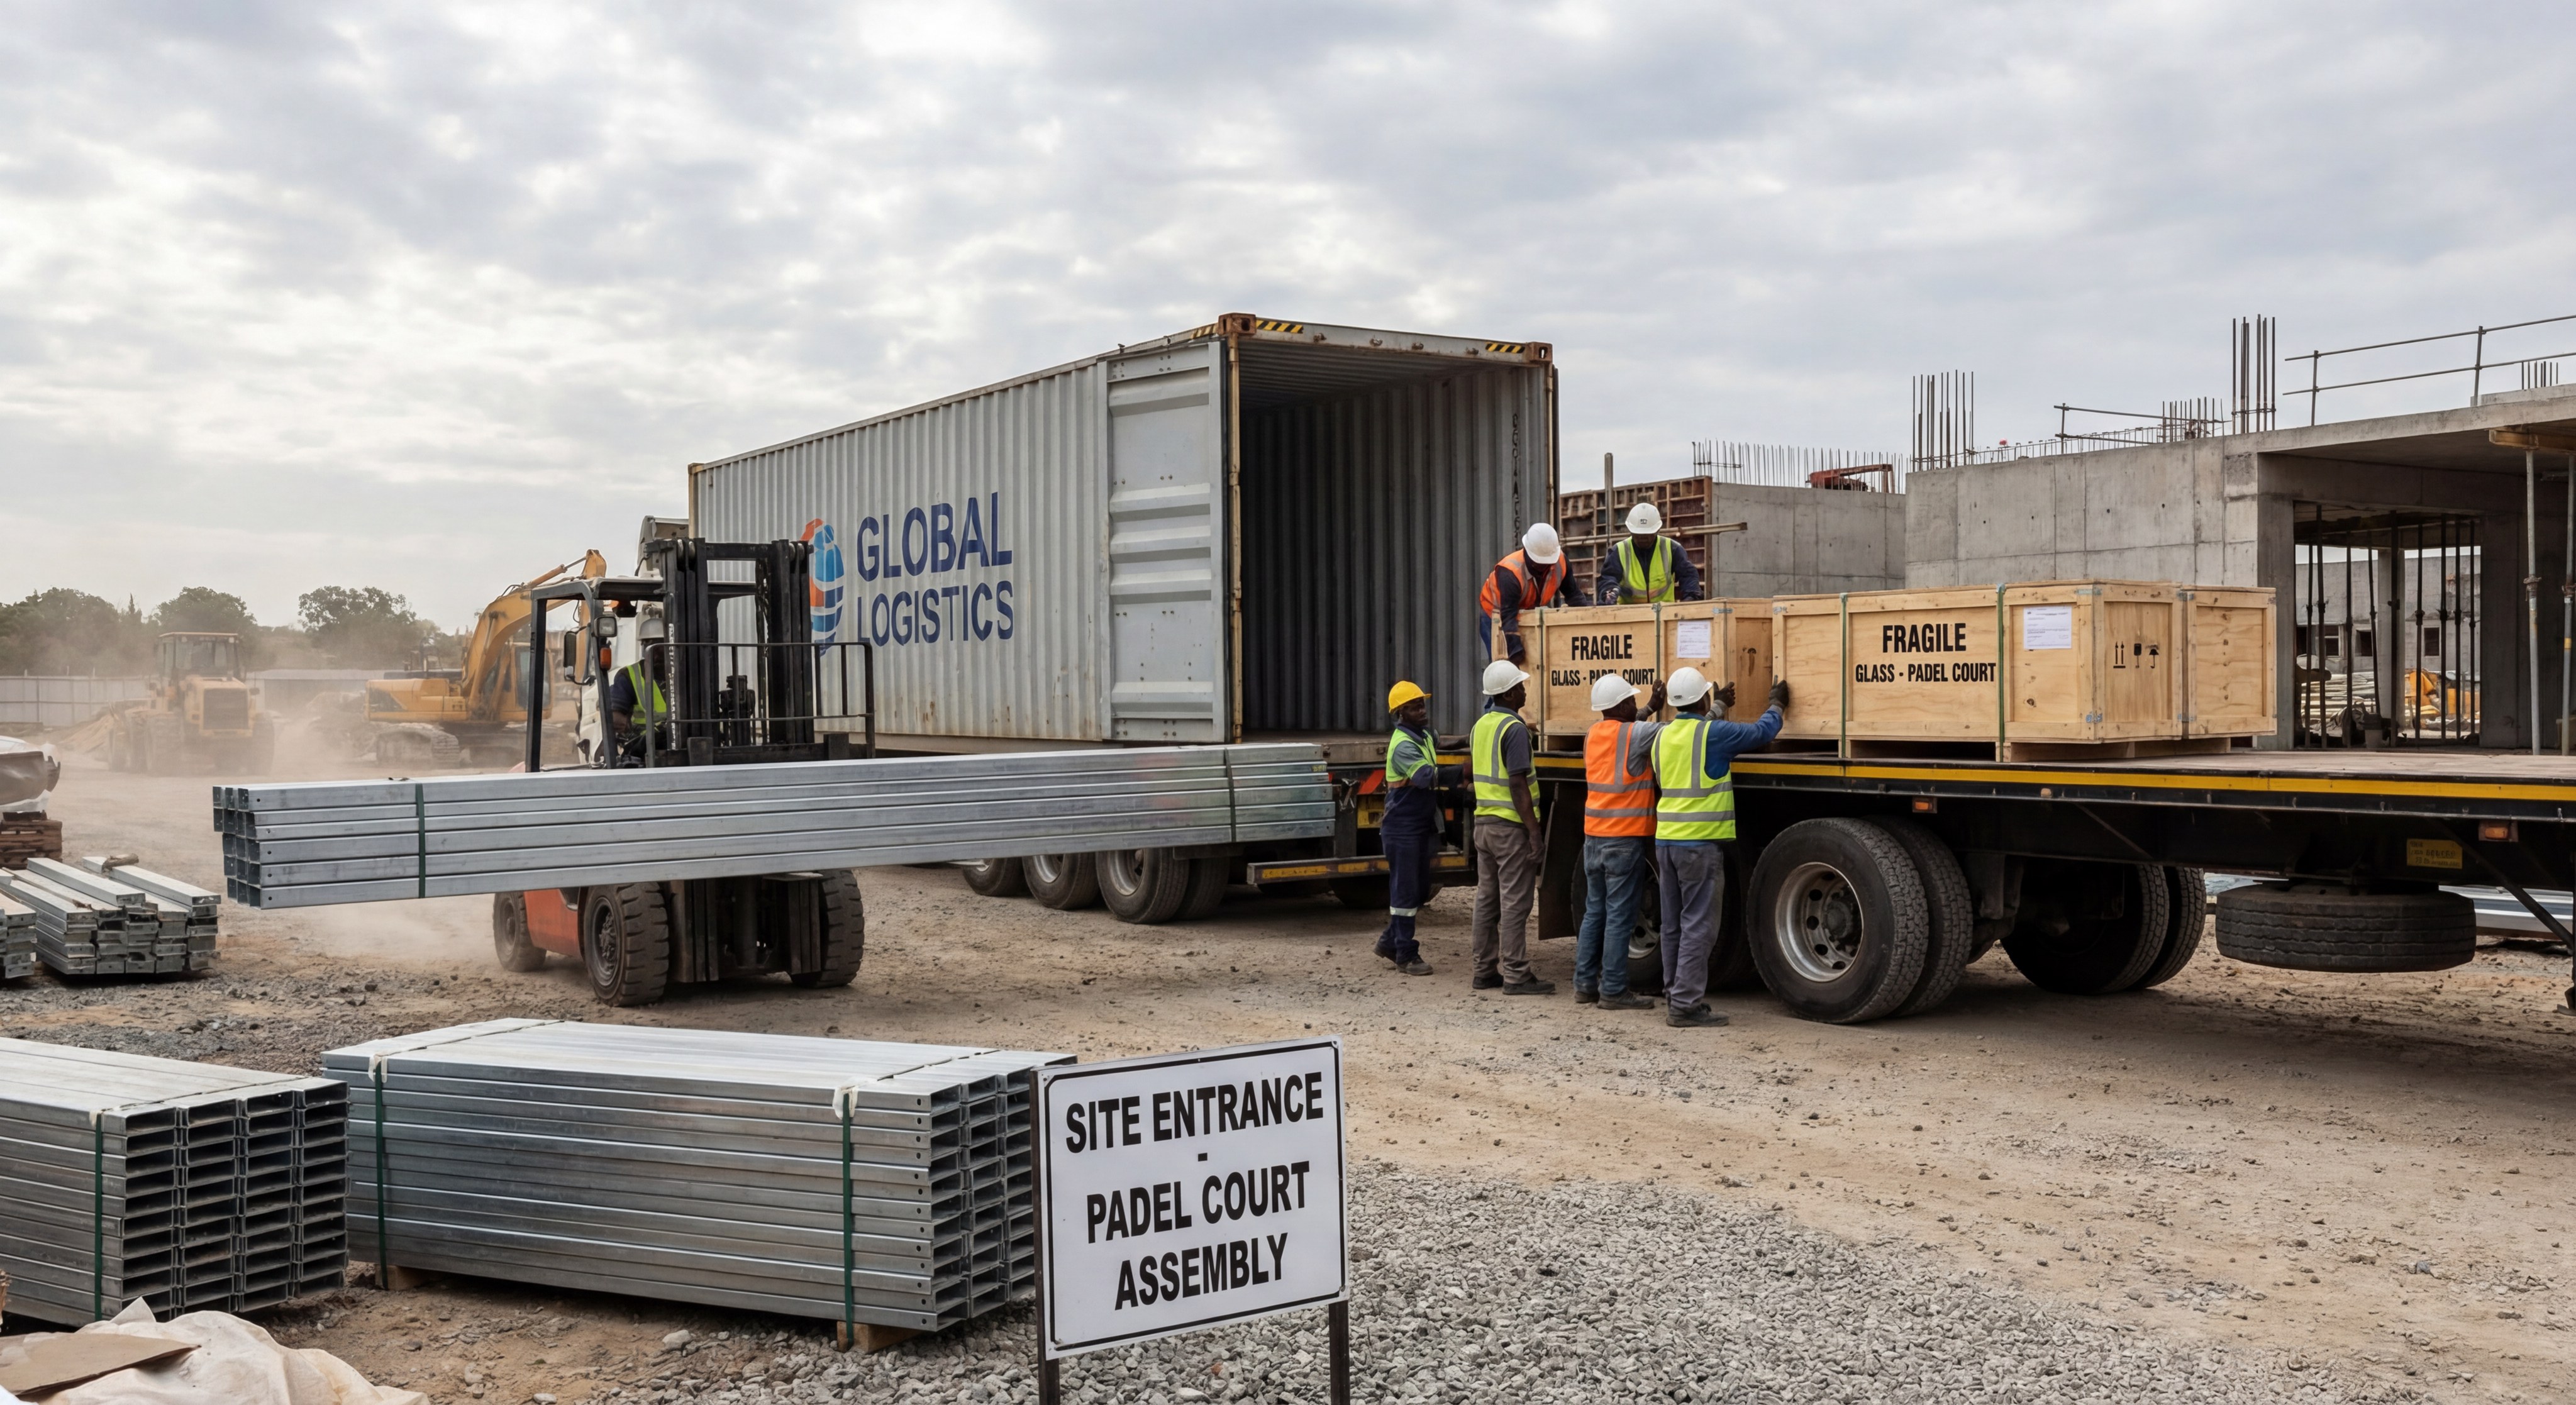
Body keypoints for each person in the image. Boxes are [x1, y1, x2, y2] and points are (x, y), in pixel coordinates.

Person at [1626, 666, 1786, 1028]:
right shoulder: (1714, 734)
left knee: (1673, 924)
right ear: (1703, 699)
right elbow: (1763, 732)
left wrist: (1718, 708)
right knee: (1699, 925)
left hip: (1666, 842)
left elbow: (1692, 731)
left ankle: (1674, 992)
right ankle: (1684, 1006)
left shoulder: (1662, 735)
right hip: (1698, 845)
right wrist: (1776, 705)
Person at [1575, 672, 1663, 1010]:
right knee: (1619, 917)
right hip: (1623, 840)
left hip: (1594, 838)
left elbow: (1627, 730)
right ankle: (1613, 990)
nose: (1636, 704)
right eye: (1632, 700)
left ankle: (1584, 985)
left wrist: (1651, 708)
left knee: (1594, 912)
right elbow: (1682, 733)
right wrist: (1713, 710)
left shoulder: (1592, 735)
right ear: (1624, 704)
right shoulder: (1636, 734)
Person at [1468, 660, 1553, 995]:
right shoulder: (1514, 729)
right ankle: (1517, 975)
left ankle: (1484, 971)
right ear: (1507, 693)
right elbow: (1518, 785)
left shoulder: (1481, 726)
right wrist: (1534, 833)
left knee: (1487, 900)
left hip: (1484, 825)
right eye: (1519, 686)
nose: (1524, 689)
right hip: (1509, 828)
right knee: (1516, 903)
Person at [1374, 680, 1454, 977]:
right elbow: (1424, 777)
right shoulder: (1403, 744)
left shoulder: (1423, 736)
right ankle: (1406, 954)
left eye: (1422, 705)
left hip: (1420, 825)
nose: (1421, 710)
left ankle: (1389, 941)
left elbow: (1441, 742)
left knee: (1420, 889)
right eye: (1414, 707)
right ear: (1400, 713)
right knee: (1406, 892)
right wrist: (1464, 772)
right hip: (1402, 827)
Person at [1477, 523, 1585, 665]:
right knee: (1503, 665)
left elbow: (1574, 595)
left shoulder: (1560, 563)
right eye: (1540, 563)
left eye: (1548, 563)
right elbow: (1508, 616)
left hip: (1526, 613)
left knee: (1533, 663)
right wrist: (1514, 648)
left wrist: (1591, 615)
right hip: (1495, 615)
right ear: (1528, 553)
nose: (1544, 567)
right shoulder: (1511, 572)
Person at [1595, 501, 1704, 604]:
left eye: (1647, 535)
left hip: (1663, 613)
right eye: (1639, 535)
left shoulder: (1672, 549)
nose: (1643, 539)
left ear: (1657, 530)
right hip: (1629, 615)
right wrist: (1608, 593)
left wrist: (1691, 597)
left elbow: (1688, 576)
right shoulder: (1619, 552)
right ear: (1631, 531)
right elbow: (1608, 579)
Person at [606, 645, 670, 764]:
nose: (656, 656)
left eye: (661, 649)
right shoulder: (629, 676)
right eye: (652, 649)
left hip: (681, 741)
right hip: (644, 749)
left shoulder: (690, 671)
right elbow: (616, 721)